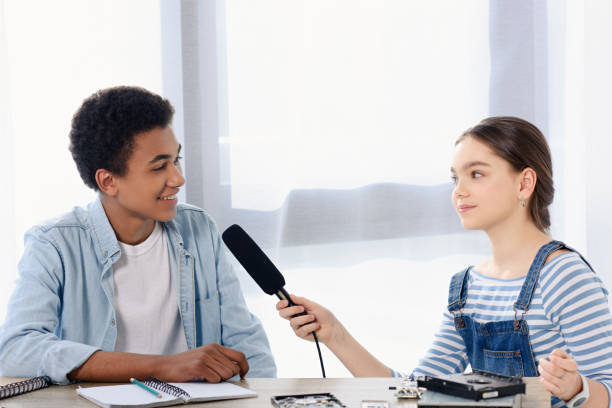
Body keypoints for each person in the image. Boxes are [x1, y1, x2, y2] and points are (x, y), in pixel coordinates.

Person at [277, 117, 612, 407]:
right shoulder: (466, 288)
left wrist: (576, 389)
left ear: (524, 183)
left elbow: (609, 389)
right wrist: (335, 334)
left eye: (476, 174)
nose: (459, 191)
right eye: (455, 178)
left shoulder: (563, 275)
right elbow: (413, 392)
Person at [0, 86, 276, 384]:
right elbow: (16, 349)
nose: (178, 178)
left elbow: (245, 339)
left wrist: (263, 397)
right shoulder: (54, 243)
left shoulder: (199, 228)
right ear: (108, 181)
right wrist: (160, 367)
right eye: (159, 167)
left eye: (176, 160)